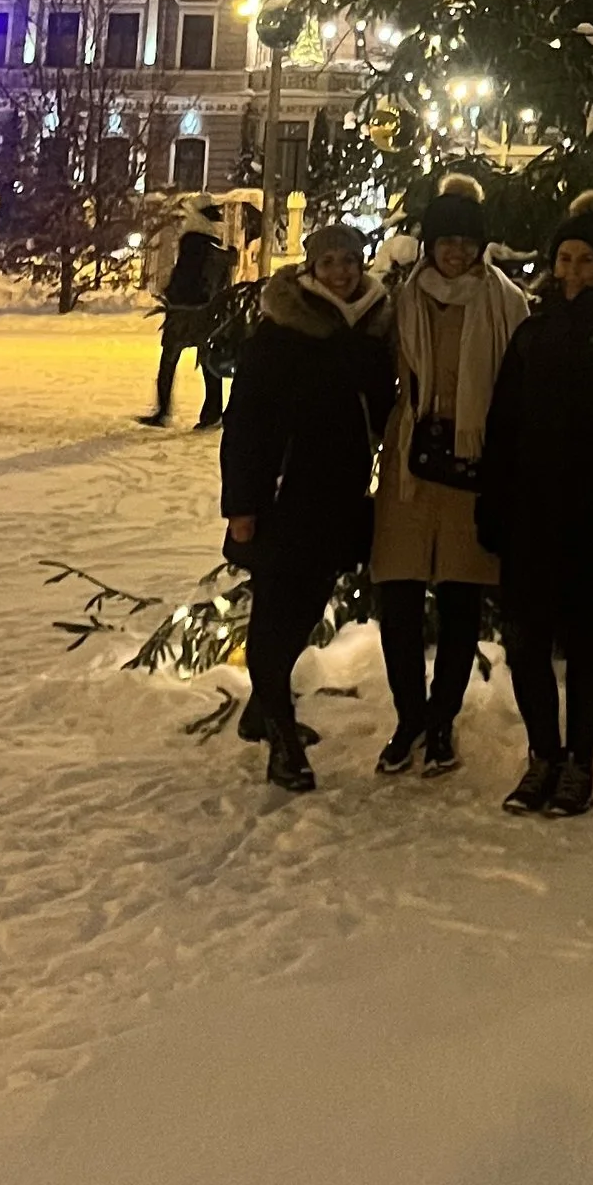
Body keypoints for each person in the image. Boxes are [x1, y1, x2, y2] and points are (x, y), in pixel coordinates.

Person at [476, 195, 593, 821]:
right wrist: (493, 503)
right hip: (532, 516)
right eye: (565, 258)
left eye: (586, 259)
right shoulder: (532, 335)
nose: (574, 270)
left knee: (587, 647)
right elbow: (502, 424)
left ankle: (578, 763)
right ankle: (542, 756)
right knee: (527, 645)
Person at [218, 216, 396, 793]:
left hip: (340, 497)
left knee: (301, 611)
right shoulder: (281, 332)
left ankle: (260, 710)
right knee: (278, 613)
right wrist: (242, 504)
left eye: (349, 261)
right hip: (283, 496)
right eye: (328, 263)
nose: (341, 273)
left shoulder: (372, 328)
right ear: (310, 269)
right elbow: (245, 424)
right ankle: (283, 742)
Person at [371, 170, 528, 778]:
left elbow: (518, 391)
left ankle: (442, 720)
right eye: (445, 241)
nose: (455, 251)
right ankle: (409, 715)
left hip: (472, 464)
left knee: (461, 599)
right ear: (431, 243)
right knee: (401, 595)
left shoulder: (506, 303)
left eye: (466, 241)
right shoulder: (403, 300)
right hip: (410, 466)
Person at [139, 198, 233, 429]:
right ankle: (212, 412)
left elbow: (184, 276)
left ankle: (163, 411)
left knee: (169, 360)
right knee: (209, 364)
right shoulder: (219, 247)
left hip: (184, 311)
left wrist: (170, 294)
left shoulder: (192, 242)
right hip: (208, 313)